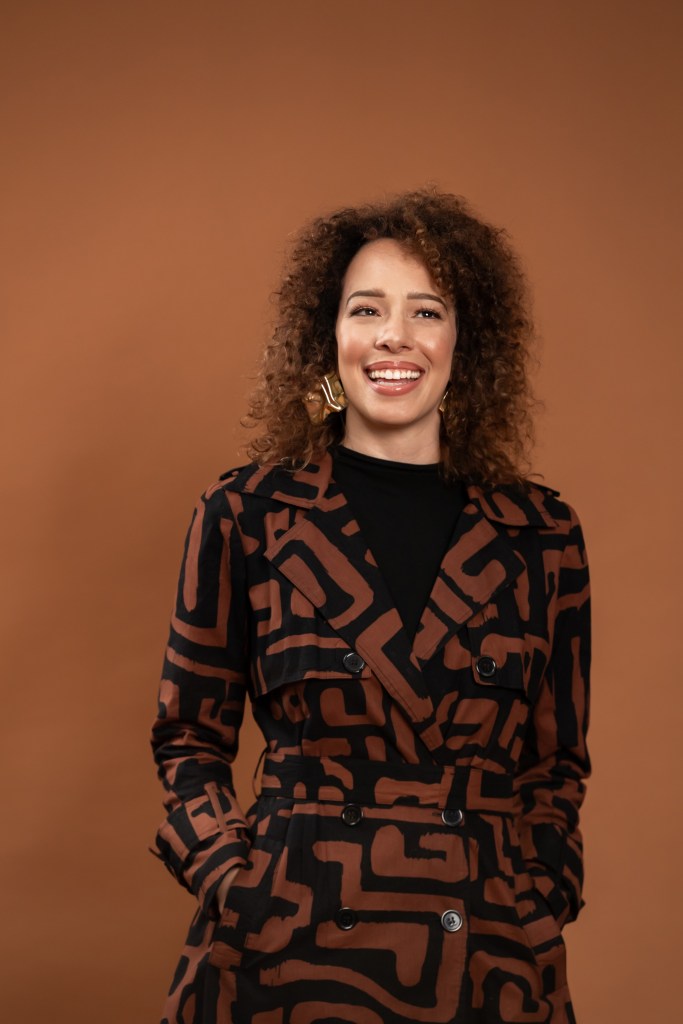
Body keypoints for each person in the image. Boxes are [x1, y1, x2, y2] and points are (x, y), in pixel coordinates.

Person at [151, 190, 591, 1024]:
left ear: (464, 342)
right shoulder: (246, 515)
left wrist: (540, 892)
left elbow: (554, 765)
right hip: (282, 949)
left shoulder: (541, 534)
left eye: (426, 311)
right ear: (330, 337)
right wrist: (232, 883)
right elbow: (188, 737)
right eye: (366, 309)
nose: (394, 335)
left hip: (485, 959)